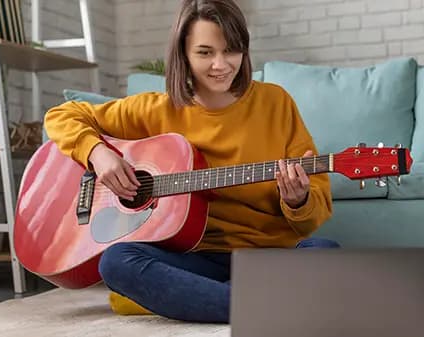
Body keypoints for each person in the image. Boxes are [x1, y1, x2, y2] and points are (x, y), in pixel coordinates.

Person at [43, 0, 338, 324]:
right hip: (192, 258)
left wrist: (299, 200)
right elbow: (62, 115)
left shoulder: (275, 102)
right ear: (183, 54)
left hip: (268, 256)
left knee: (325, 252)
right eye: (205, 52)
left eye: (231, 51)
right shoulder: (155, 110)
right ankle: (257, 303)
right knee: (116, 261)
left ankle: (199, 298)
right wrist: (97, 153)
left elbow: (313, 218)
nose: (221, 64)